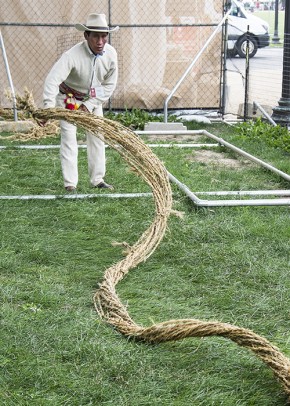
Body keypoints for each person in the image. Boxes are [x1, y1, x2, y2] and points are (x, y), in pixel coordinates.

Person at [43, 13, 119, 191]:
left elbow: (109, 85)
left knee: (97, 137)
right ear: (86, 36)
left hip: (93, 100)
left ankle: (98, 180)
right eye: (95, 36)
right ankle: (70, 184)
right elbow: (52, 80)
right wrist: (48, 107)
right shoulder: (71, 55)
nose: (100, 41)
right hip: (69, 99)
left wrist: (89, 105)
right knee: (69, 138)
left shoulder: (111, 54)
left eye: (103, 36)